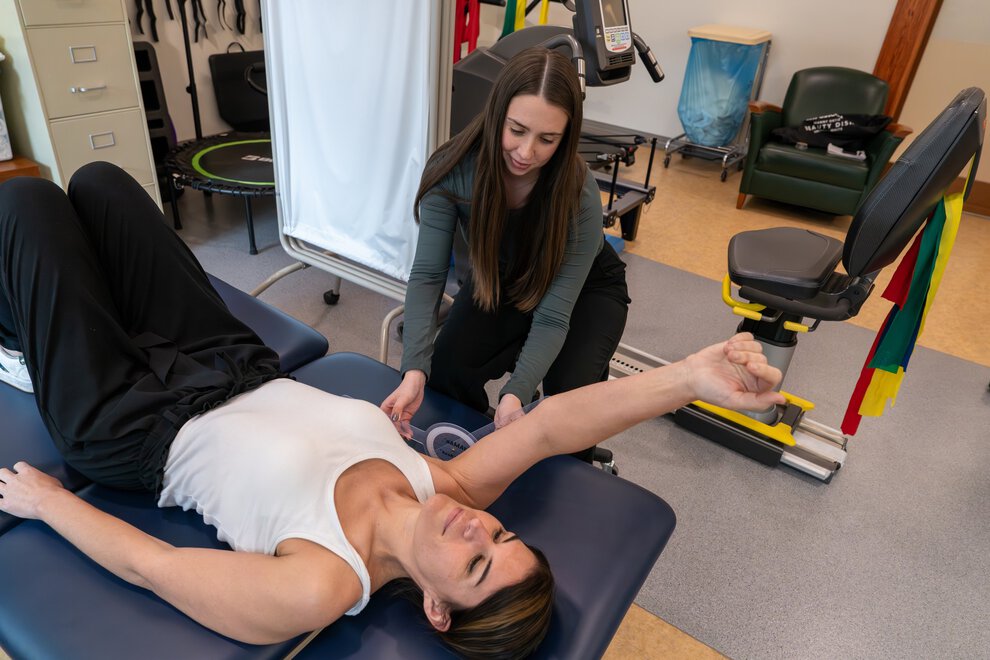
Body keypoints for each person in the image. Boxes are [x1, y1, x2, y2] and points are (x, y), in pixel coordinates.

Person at [0, 163, 785, 658]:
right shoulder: (447, 490)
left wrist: (50, 503)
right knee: (102, 183)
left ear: (438, 610)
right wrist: (687, 378)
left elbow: (155, 566)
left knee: (30, 204)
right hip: (235, 363)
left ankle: (19, 339)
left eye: (478, 564)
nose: (481, 529)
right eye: (504, 535)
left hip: (137, 427)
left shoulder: (323, 584)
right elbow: (548, 429)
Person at [382, 47, 631, 439]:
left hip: (586, 291)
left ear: (565, 138)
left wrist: (516, 392)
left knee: (565, 412)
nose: (526, 153)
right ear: (497, 113)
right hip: (505, 279)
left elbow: (553, 315)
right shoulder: (451, 171)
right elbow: (429, 275)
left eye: (547, 139)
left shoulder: (576, 189)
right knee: (446, 370)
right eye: (516, 130)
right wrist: (414, 368)